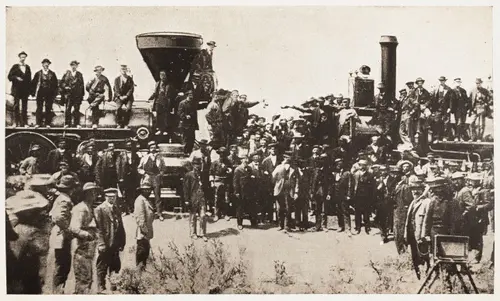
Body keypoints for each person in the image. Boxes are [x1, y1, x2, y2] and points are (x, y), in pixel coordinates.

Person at [6, 191, 50, 294]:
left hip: (14, 276)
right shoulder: (33, 233)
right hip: (29, 278)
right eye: (38, 211)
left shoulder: (15, 228)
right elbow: (43, 249)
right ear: (30, 212)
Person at [49, 175, 77, 294]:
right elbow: (58, 217)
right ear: (70, 188)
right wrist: (67, 229)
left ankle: (59, 289)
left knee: (62, 263)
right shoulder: (65, 199)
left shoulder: (61, 197)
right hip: (61, 235)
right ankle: (58, 290)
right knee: (63, 264)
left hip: (60, 234)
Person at [94, 188, 126, 294]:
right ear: (105, 197)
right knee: (102, 265)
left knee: (115, 264)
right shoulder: (100, 209)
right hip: (106, 242)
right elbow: (98, 229)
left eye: (114, 197)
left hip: (115, 243)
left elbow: (120, 226)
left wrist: (122, 241)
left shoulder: (117, 209)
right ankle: (101, 286)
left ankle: (113, 285)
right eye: (109, 197)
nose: (112, 199)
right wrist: (101, 243)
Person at [69, 182, 99, 294]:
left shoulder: (89, 207)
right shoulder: (81, 208)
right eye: (92, 192)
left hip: (88, 249)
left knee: (87, 278)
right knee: (83, 279)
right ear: (87, 194)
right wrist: (87, 234)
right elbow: (74, 228)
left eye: (95, 192)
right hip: (81, 248)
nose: (95, 195)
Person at [404, 176, 431, 280]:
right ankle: (418, 277)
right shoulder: (412, 202)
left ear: (422, 190)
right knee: (415, 257)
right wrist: (406, 234)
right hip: (412, 234)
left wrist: (424, 235)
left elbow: (427, 221)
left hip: (420, 236)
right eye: (413, 189)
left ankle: (426, 277)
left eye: (418, 189)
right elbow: (408, 220)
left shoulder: (426, 202)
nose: (415, 191)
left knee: (423, 256)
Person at [138, 141, 165, 220]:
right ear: (149, 149)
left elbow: (163, 168)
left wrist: (160, 174)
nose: (153, 149)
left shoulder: (160, 157)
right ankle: (146, 213)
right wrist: (144, 173)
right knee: (146, 196)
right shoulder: (145, 157)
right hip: (147, 178)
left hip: (156, 178)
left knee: (158, 197)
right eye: (151, 147)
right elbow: (139, 168)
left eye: (154, 147)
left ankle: (159, 214)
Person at [183, 157, 208, 241]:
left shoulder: (203, 174)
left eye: (199, 164)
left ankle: (202, 233)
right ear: (193, 165)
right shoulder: (189, 175)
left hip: (202, 197)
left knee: (203, 216)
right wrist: (186, 199)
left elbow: (206, 186)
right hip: (193, 197)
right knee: (193, 216)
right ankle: (193, 233)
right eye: (196, 164)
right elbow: (186, 188)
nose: (198, 166)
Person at [272, 156, 299, 233]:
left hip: (289, 191)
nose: (287, 160)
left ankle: (286, 226)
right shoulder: (279, 167)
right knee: (279, 208)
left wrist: (296, 192)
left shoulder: (294, 169)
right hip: (279, 191)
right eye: (285, 158)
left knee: (288, 209)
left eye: (289, 159)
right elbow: (273, 176)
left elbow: (297, 181)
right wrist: (277, 184)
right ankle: (280, 225)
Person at [393, 160, 414, 254]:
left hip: (405, 207)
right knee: (397, 229)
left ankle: (403, 249)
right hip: (397, 207)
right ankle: (400, 248)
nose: (405, 168)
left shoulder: (412, 178)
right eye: (403, 167)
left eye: (407, 167)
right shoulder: (399, 180)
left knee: (403, 228)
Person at [327, 158, 353, 234]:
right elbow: (331, 185)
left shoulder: (347, 173)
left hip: (344, 195)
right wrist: (329, 194)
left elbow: (349, 185)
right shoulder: (334, 173)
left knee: (345, 211)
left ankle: (348, 228)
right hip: (336, 195)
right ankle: (341, 226)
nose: (338, 165)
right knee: (338, 211)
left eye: (340, 164)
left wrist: (348, 195)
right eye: (337, 164)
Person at [31, 58, 58, 128]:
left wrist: (54, 94)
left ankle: (47, 123)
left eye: (47, 63)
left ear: (49, 64)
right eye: (45, 63)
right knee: (39, 108)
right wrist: (33, 93)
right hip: (40, 92)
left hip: (49, 93)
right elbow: (33, 83)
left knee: (48, 108)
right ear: (42, 64)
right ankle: (38, 123)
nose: (46, 65)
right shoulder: (38, 73)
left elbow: (55, 85)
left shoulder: (52, 74)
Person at [133, 183, 155, 270]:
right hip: (143, 231)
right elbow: (140, 217)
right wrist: (144, 230)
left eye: (149, 190)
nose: (148, 191)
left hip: (147, 230)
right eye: (145, 190)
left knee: (146, 251)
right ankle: (139, 269)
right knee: (142, 250)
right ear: (141, 190)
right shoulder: (140, 200)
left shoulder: (146, 200)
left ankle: (143, 268)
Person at [8, 51, 32, 127]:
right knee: (16, 106)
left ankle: (24, 123)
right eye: (22, 57)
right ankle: (15, 122)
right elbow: (9, 77)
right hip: (17, 90)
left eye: (24, 57)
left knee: (24, 107)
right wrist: (16, 78)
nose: (23, 58)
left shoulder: (27, 67)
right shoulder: (15, 66)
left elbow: (29, 79)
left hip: (25, 90)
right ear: (19, 57)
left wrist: (30, 91)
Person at [149, 70, 176, 136]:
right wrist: (150, 98)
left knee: (165, 117)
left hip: (166, 103)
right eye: (161, 75)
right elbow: (155, 93)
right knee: (158, 116)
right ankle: (160, 129)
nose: (163, 77)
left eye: (164, 75)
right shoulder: (158, 83)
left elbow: (171, 95)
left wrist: (170, 103)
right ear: (160, 76)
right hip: (158, 102)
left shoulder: (169, 85)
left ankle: (165, 130)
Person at [352, 159, 376, 234]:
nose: (362, 167)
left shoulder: (370, 175)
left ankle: (367, 227)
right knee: (357, 213)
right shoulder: (356, 174)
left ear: (366, 166)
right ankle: (357, 227)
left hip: (366, 196)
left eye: (364, 165)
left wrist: (372, 197)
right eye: (360, 165)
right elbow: (353, 185)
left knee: (366, 213)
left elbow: (372, 187)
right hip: (358, 196)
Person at [118, 140, 140, 215]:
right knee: (125, 194)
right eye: (128, 145)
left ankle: (132, 209)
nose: (129, 147)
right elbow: (119, 167)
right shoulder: (121, 155)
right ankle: (125, 210)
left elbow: (138, 165)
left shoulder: (135, 155)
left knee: (133, 193)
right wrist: (120, 177)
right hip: (125, 177)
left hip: (133, 177)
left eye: (130, 145)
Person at [60, 60, 85, 128]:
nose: (74, 66)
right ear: (71, 66)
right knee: (68, 109)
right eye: (73, 65)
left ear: (77, 66)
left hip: (77, 95)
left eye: (75, 65)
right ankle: (67, 123)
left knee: (76, 109)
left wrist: (82, 95)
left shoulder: (79, 74)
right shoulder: (67, 73)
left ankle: (77, 124)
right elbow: (62, 83)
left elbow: (82, 85)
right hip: (69, 95)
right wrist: (65, 87)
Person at [261, 143, 281, 223]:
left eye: (275, 149)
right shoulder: (265, 160)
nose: (273, 150)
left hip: (278, 182)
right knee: (269, 200)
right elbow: (262, 171)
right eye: (272, 149)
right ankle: (269, 218)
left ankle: (278, 218)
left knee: (278, 200)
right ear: (269, 150)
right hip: (268, 183)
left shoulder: (280, 159)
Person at [233, 155, 253, 230]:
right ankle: (240, 223)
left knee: (250, 206)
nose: (246, 161)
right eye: (244, 159)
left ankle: (253, 222)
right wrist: (236, 192)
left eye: (247, 159)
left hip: (249, 191)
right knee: (240, 208)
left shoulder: (249, 168)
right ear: (241, 160)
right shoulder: (238, 169)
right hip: (241, 191)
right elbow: (235, 182)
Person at [113, 64, 135, 129]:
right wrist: (119, 96)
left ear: (126, 70)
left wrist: (127, 96)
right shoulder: (117, 79)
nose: (124, 71)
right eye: (122, 69)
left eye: (125, 69)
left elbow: (131, 89)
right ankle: (119, 123)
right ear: (120, 70)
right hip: (119, 97)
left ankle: (126, 124)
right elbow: (116, 89)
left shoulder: (130, 79)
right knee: (118, 108)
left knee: (128, 108)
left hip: (128, 98)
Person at [178, 90, 199, 154]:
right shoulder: (182, 103)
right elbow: (179, 113)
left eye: (192, 95)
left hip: (192, 124)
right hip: (185, 124)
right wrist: (185, 116)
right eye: (190, 95)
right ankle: (185, 152)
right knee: (186, 139)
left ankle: (190, 151)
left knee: (192, 139)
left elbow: (195, 114)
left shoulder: (193, 103)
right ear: (187, 96)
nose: (191, 96)